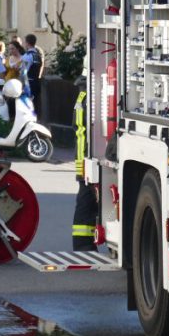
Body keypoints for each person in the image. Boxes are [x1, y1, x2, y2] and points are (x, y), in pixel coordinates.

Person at [72, 74, 98, 251]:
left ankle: (84, 244)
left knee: (87, 200)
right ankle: (83, 246)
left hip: (83, 157)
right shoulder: (88, 95)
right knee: (87, 201)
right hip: (86, 158)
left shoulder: (83, 94)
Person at [23, 34, 45, 117]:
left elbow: (23, 71)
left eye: (25, 42)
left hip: (28, 84)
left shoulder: (27, 56)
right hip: (36, 82)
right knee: (36, 105)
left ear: (27, 43)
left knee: (27, 105)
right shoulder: (38, 55)